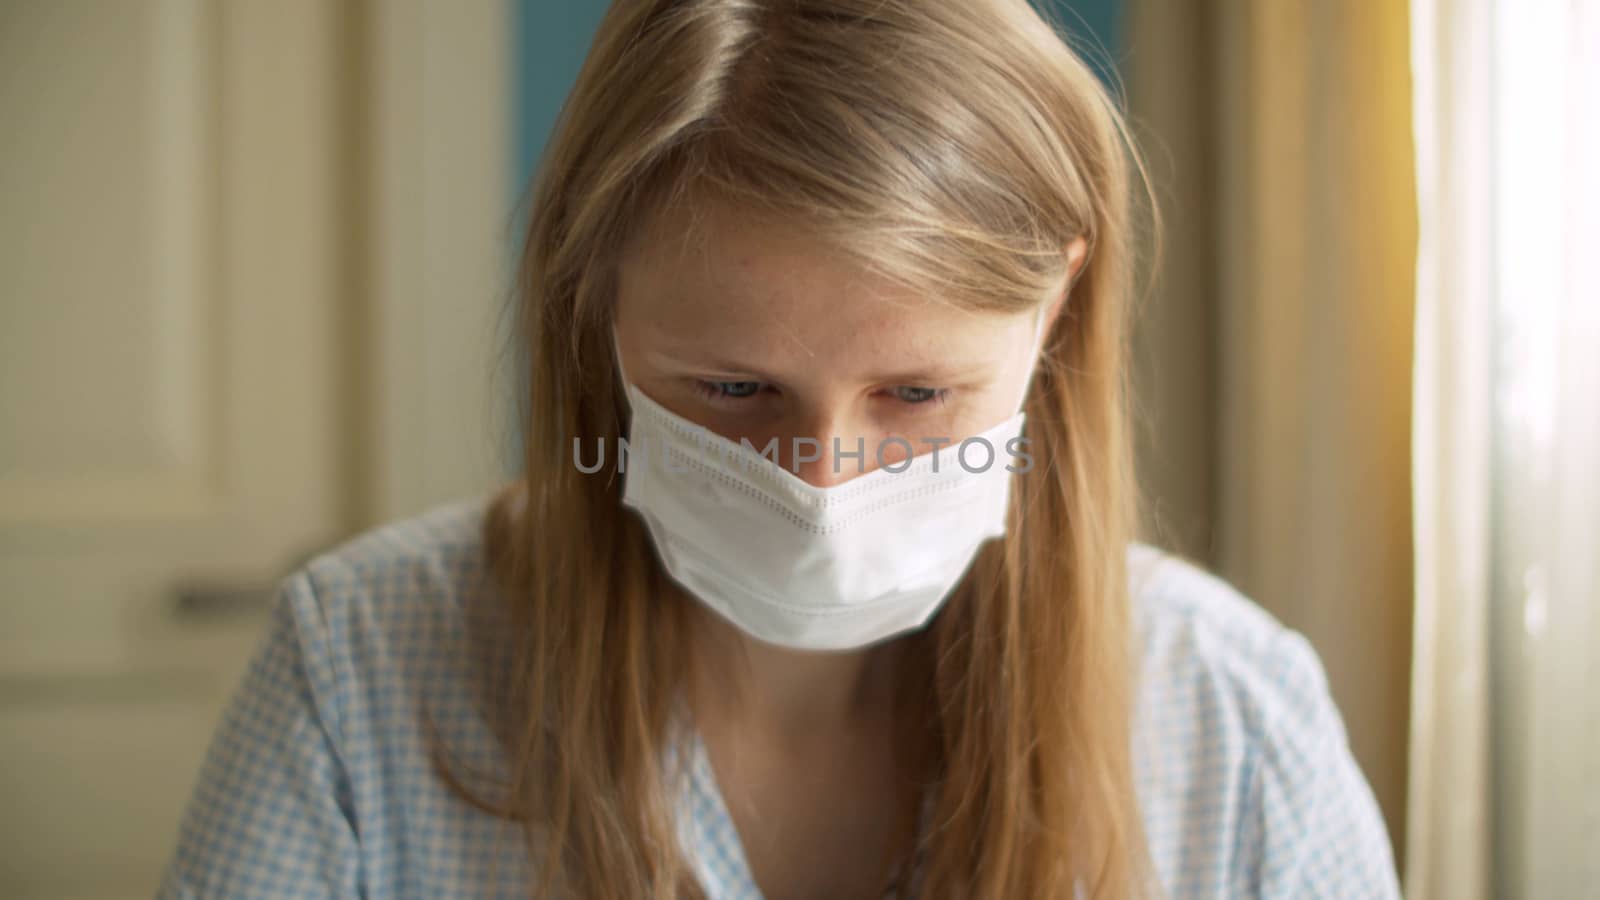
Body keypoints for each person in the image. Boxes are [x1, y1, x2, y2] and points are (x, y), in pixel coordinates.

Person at [158, 1, 1402, 897]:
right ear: (597, 307)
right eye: (736, 387)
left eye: (918, 393)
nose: (823, 484)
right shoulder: (361, 678)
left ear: (1054, 312)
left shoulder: (1232, 723)